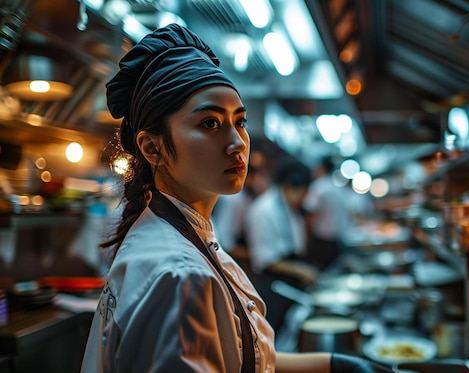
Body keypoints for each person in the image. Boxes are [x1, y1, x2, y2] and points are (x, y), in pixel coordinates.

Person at [80, 23, 391, 373]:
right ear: (153, 147)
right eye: (210, 123)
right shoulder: (181, 276)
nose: (238, 143)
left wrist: (331, 364)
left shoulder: (189, 238)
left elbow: (241, 359)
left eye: (240, 122)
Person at [244, 158, 319, 333]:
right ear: (287, 186)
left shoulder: (291, 206)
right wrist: (301, 270)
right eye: (303, 192)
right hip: (274, 283)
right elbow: (264, 259)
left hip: (292, 275)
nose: (305, 197)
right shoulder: (263, 210)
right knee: (274, 332)